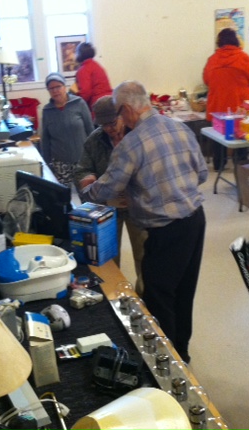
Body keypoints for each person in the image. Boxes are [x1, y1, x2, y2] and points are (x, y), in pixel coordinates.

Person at [81, 80, 208, 363]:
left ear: (127, 109)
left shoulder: (131, 144)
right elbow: (201, 174)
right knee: (184, 291)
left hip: (163, 231)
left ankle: (167, 364)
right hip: (195, 221)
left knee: (158, 297)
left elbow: (108, 189)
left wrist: (87, 190)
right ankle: (182, 352)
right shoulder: (180, 127)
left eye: (118, 112)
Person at [74, 96, 148, 296]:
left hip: (139, 208)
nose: (109, 129)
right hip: (107, 210)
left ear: (121, 116)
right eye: (104, 125)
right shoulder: (95, 140)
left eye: (113, 123)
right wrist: (88, 179)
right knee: (108, 261)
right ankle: (114, 299)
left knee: (145, 257)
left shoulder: (139, 135)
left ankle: (144, 299)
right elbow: (81, 170)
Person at [203, 27, 249, 170]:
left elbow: (206, 80)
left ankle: (218, 164)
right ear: (235, 40)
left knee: (218, 135)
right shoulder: (243, 57)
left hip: (218, 105)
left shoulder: (212, 59)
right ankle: (241, 166)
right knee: (242, 136)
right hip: (240, 105)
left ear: (219, 42)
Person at [41, 72, 94, 187]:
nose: (55, 91)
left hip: (82, 160)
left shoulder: (79, 103)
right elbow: (45, 139)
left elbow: (91, 131)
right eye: (51, 88)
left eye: (58, 87)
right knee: (63, 194)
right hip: (60, 163)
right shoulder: (47, 111)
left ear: (64, 87)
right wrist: (47, 164)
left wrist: (94, 156)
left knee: (86, 192)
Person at [73, 42, 113, 111]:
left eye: (76, 53)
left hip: (97, 105)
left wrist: (76, 105)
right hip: (109, 101)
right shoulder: (97, 65)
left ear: (80, 54)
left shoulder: (84, 69)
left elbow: (86, 92)